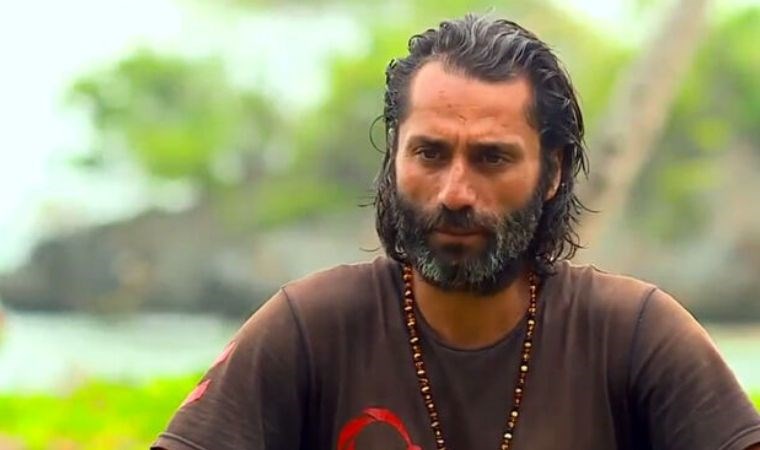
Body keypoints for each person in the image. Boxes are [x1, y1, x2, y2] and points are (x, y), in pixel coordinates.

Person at [152, 14, 760, 450]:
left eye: (492, 157)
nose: (455, 193)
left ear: (551, 172)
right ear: (395, 158)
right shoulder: (309, 329)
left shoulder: (635, 335)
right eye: (430, 153)